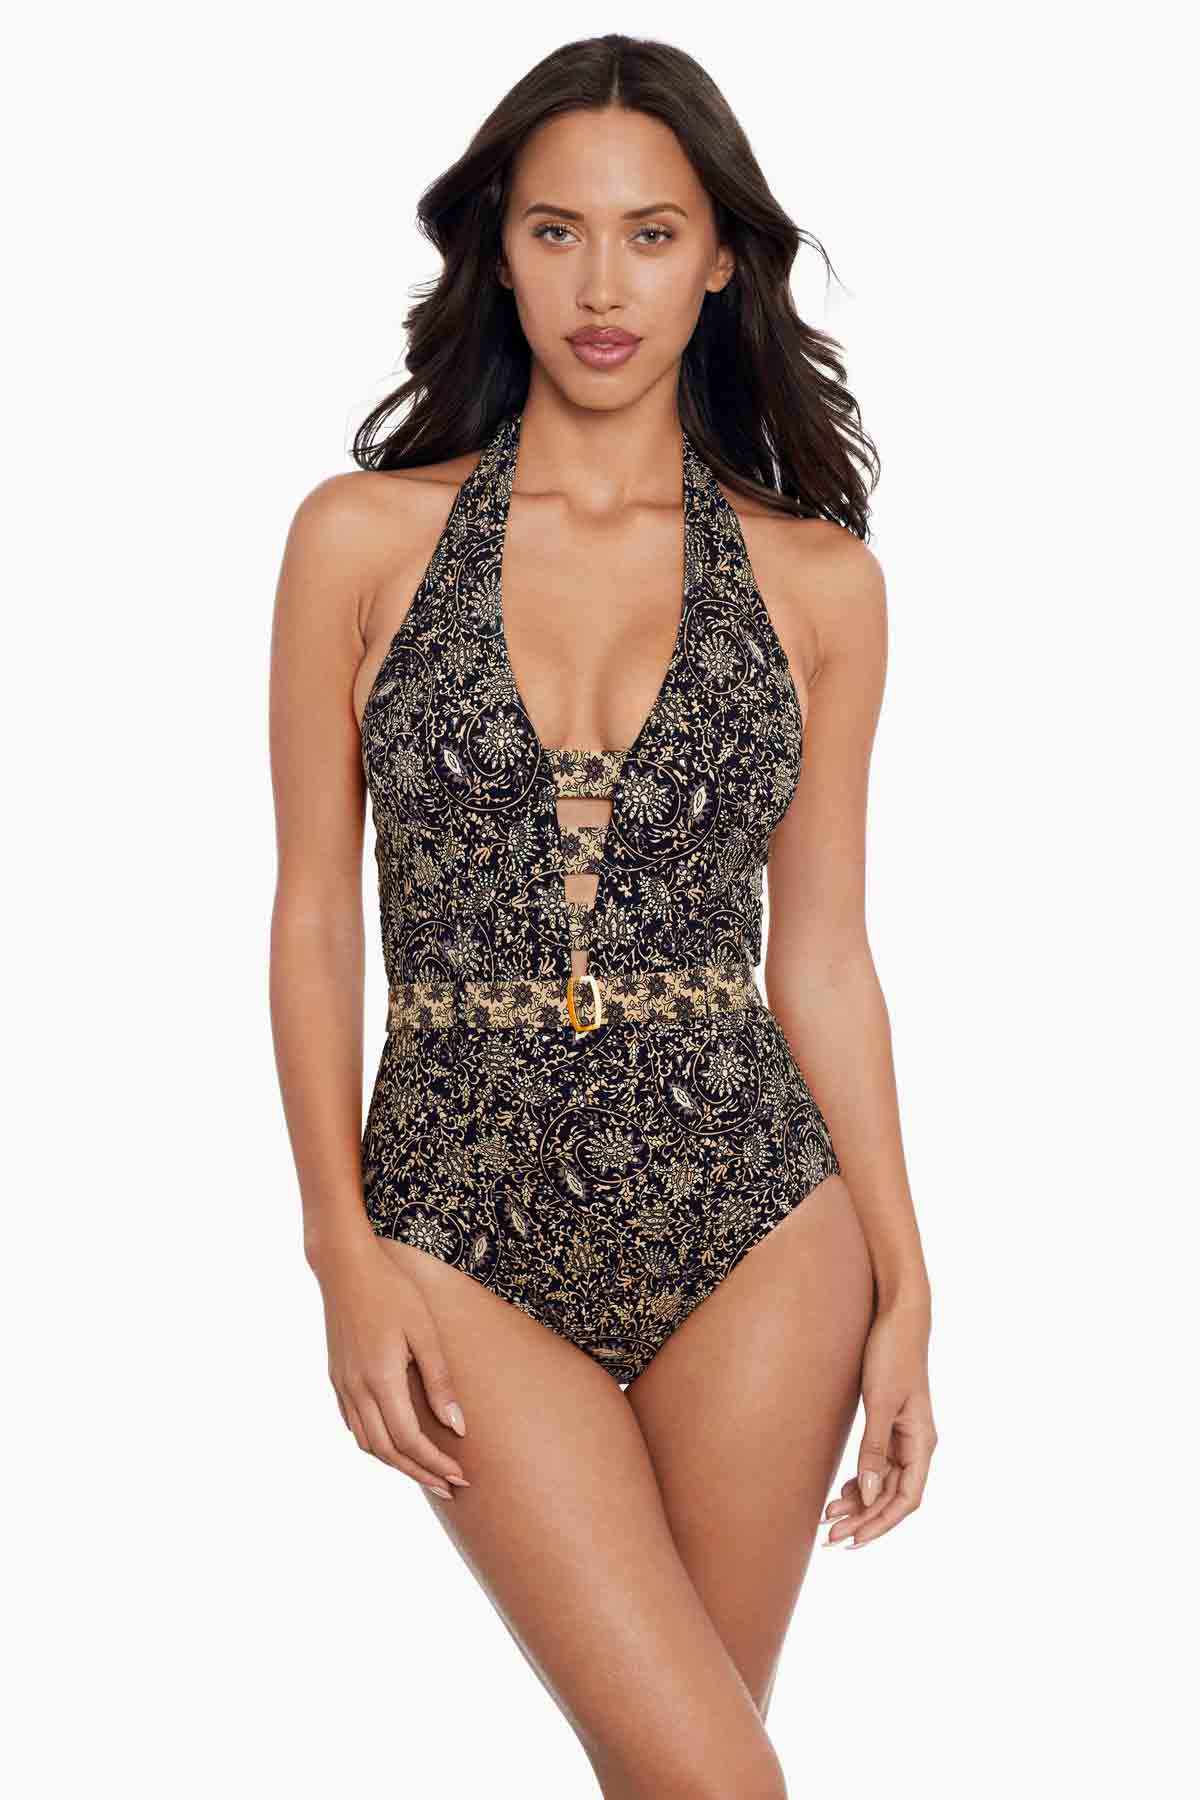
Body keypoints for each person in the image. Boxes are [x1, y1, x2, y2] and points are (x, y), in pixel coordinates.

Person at [269, 32, 935, 1798]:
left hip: (758, 1217)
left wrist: (908, 1283)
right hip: (452, 1212)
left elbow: (826, 957)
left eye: (652, 234)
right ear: (498, 248)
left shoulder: (821, 582)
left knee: (685, 1780)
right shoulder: (357, 541)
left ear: (720, 260)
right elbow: (314, 916)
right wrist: (338, 1245)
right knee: (716, 1781)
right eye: (556, 231)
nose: (602, 285)